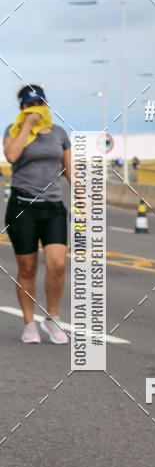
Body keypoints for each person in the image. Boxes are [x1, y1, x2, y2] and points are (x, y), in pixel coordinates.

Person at [3, 84, 70, 344]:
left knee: (57, 264)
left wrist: (82, 193)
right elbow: (11, 155)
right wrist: (27, 127)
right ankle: (29, 323)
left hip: (53, 207)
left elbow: (68, 168)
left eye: (39, 104)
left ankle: (51, 319)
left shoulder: (59, 133)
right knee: (27, 268)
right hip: (22, 208)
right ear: (21, 108)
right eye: (30, 105)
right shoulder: (13, 131)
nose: (36, 109)